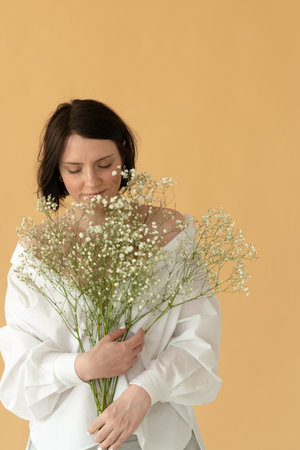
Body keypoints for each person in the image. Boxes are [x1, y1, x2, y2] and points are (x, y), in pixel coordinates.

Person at [0, 99, 222, 450]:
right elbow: (19, 372)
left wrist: (144, 391)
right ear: (57, 171)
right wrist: (81, 366)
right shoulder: (36, 255)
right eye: (74, 170)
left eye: (104, 165)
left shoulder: (171, 234)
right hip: (67, 439)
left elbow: (199, 341)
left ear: (123, 155)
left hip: (162, 438)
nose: (92, 182)